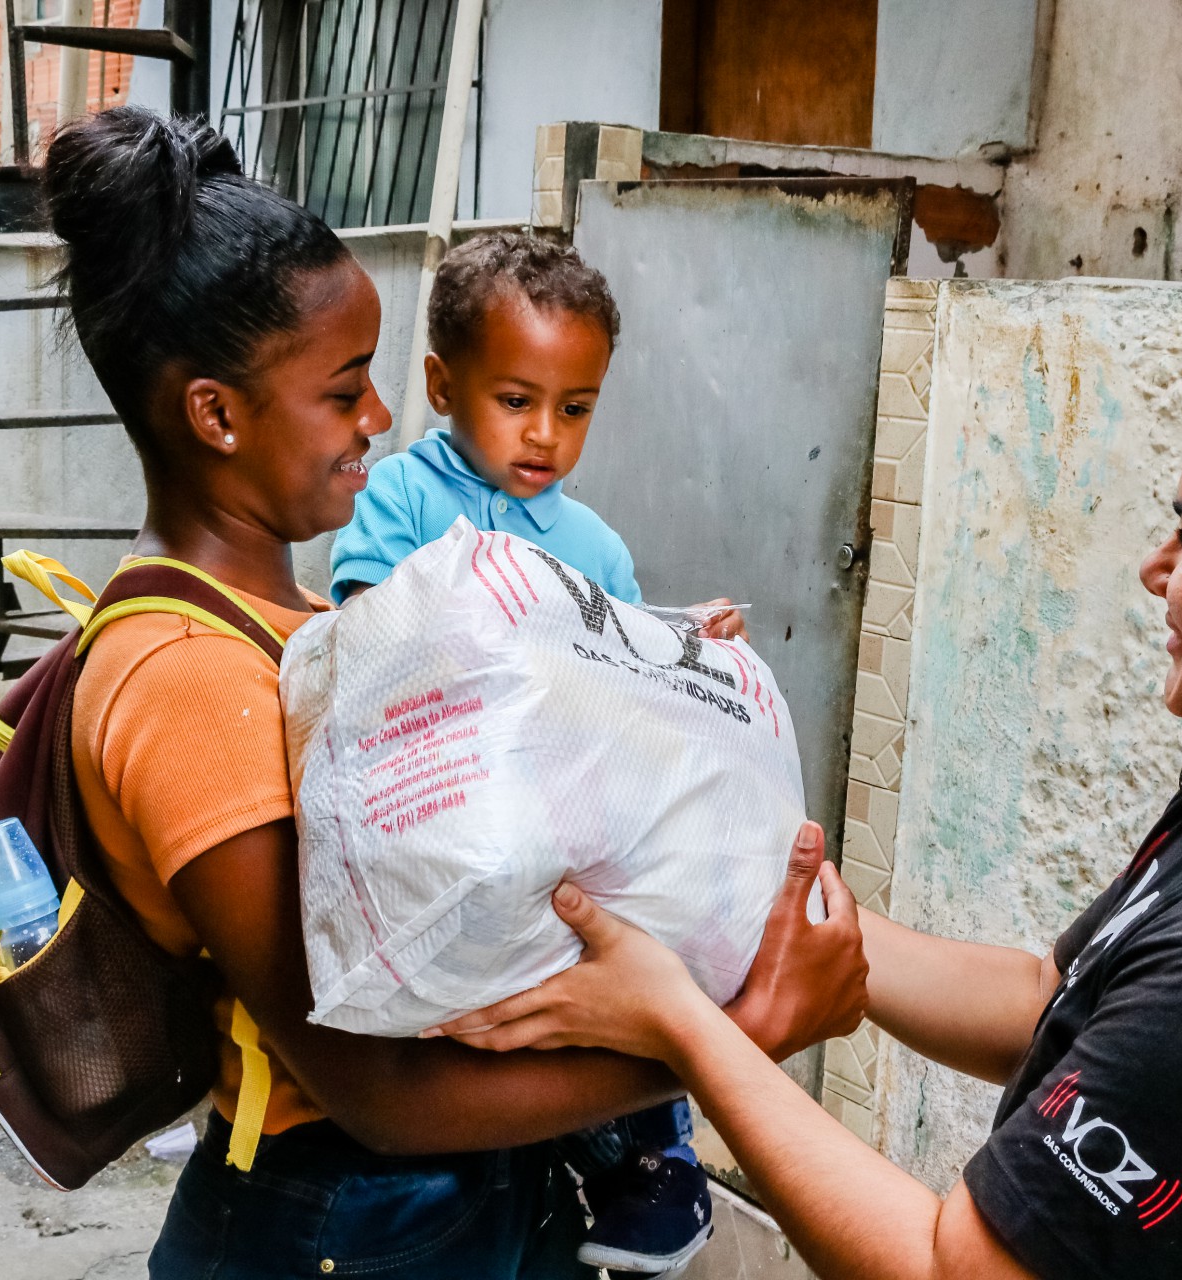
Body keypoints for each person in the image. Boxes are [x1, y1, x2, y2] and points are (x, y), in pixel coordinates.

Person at [439, 327, 1182, 1278]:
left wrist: (687, 1025)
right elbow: (1048, 997)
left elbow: (950, 1264)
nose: (1155, 573)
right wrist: (751, 886)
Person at [40, 106, 862, 1280]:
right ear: (216, 414)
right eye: (343, 390)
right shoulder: (184, 674)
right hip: (336, 1213)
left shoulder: (299, 628)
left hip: (445, 1192)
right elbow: (379, 1088)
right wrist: (730, 1036)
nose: (380, 419)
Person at [329, 229, 740, 1274]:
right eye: (517, 400)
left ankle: (657, 1160)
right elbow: (368, 629)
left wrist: (681, 638)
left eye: (577, 407)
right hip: (440, 809)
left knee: (643, 921)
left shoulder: (594, 542)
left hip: (557, 813)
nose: (546, 434)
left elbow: (618, 672)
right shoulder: (403, 498)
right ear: (442, 382)